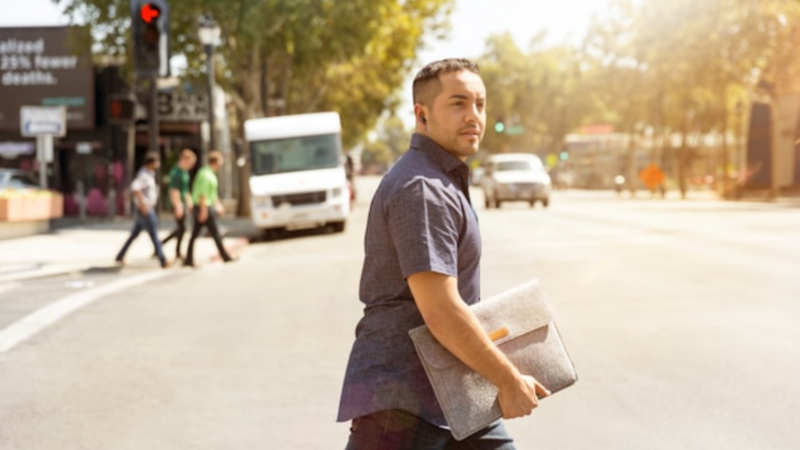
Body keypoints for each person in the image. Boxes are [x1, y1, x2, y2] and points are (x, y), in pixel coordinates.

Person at [338, 59, 550, 450]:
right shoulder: (422, 188)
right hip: (401, 404)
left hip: (453, 390)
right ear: (422, 115)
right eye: (458, 104)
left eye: (480, 104)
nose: (474, 116)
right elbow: (441, 309)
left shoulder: (441, 180)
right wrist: (507, 379)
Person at [115, 152, 171, 269]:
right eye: (157, 162)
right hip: (146, 210)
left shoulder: (149, 174)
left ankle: (120, 255)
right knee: (154, 235)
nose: (158, 164)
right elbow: (135, 188)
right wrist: (143, 204)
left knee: (134, 235)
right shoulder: (144, 175)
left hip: (145, 209)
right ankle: (163, 260)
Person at [183, 150, 236, 267]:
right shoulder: (206, 175)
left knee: (200, 234)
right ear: (215, 162)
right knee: (213, 233)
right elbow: (203, 194)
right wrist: (204, 211)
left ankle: (189, 259)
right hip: (204, 207)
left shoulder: (209, 173)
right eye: (220, 162)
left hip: (207, 207)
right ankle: (224, 256)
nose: (221, 165)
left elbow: (212, 194)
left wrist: (218, 205)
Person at [160, 148, 197, 259]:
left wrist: (189, 201)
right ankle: (172, 250)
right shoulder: (176, 172)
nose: (192, 165)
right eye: (191, 162)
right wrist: (178, 205)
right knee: (182, 228)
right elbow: (174, 190)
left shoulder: (184, 172)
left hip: (182, 202)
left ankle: (161, 245)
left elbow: (185, 189)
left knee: (181, 228)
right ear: (184, 159)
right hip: (177, 203)